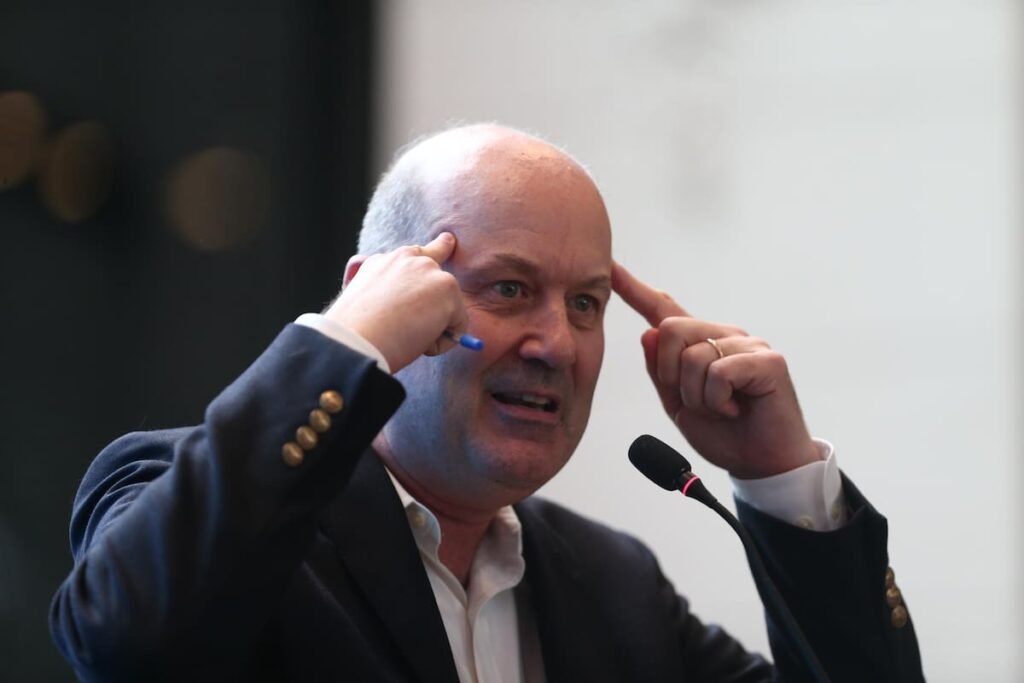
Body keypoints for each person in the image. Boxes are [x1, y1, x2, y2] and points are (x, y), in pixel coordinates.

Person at [50, 124, 924, 682]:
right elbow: (127, 646)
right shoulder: (183, 494)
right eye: (509, 288)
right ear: (381, 294)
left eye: (586, 303)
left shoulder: (612, 587)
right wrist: (343, 345)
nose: (556, 344)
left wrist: (779, 477)